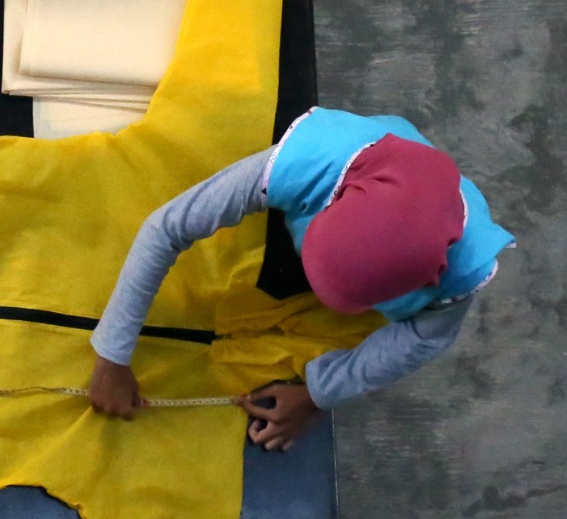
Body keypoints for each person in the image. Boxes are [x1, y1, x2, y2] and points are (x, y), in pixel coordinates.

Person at [88, 107, 515, 450]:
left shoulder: (461, 274)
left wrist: (316, 393)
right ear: (332, 201)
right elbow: (167, 228)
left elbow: (422, 339)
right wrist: (112, 356)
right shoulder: (310, 159)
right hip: (320, 180)